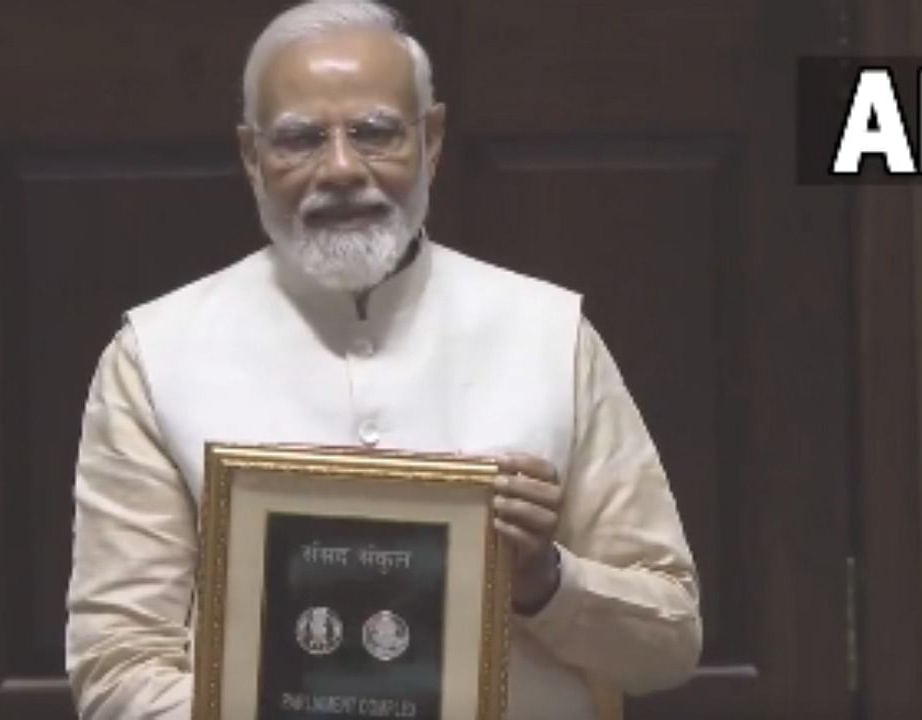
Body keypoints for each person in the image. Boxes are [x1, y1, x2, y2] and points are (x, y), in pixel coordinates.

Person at [64, 1, 702, 718]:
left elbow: (669, 642)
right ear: (251, 158)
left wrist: (544, 582)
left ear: (430, 140)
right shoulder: (154, 356)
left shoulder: (549, 333)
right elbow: (119, 667)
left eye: (374, 133)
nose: (340, 168)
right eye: (300, 139)